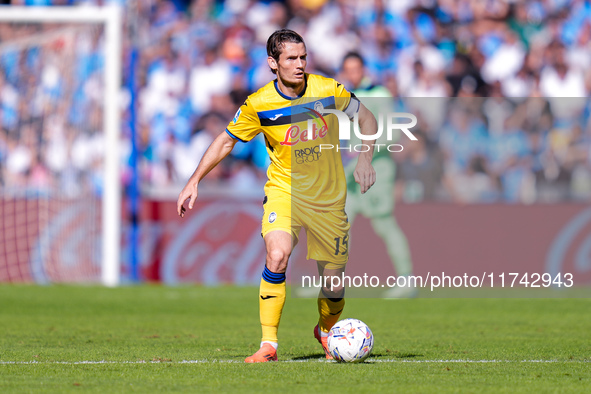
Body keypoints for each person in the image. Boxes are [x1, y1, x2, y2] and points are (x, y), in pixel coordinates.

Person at [177, 30, 377, 363]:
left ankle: (326, 330)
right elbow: (227, 141)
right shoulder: (259, 104)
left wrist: (366, 158)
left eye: (303, 57)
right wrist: (194, 180)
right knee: (277, 255)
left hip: (328, 200)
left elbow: (366, 117)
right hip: (285, 193)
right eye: (291, 59)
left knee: (333, 285)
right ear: (273, 63)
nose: (300, 65)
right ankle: (268, 345)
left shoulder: (328, 89)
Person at [340, 52, 415, 298]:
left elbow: (391, 134)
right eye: (347, 69)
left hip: (376, 169)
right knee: (339, 225)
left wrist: (361, 152)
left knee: (384, 223)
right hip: (354, 171)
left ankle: (407, 280)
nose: (352, 73)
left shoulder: (379, 94)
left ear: (364, 68)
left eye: (356, 68)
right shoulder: (348, 97)